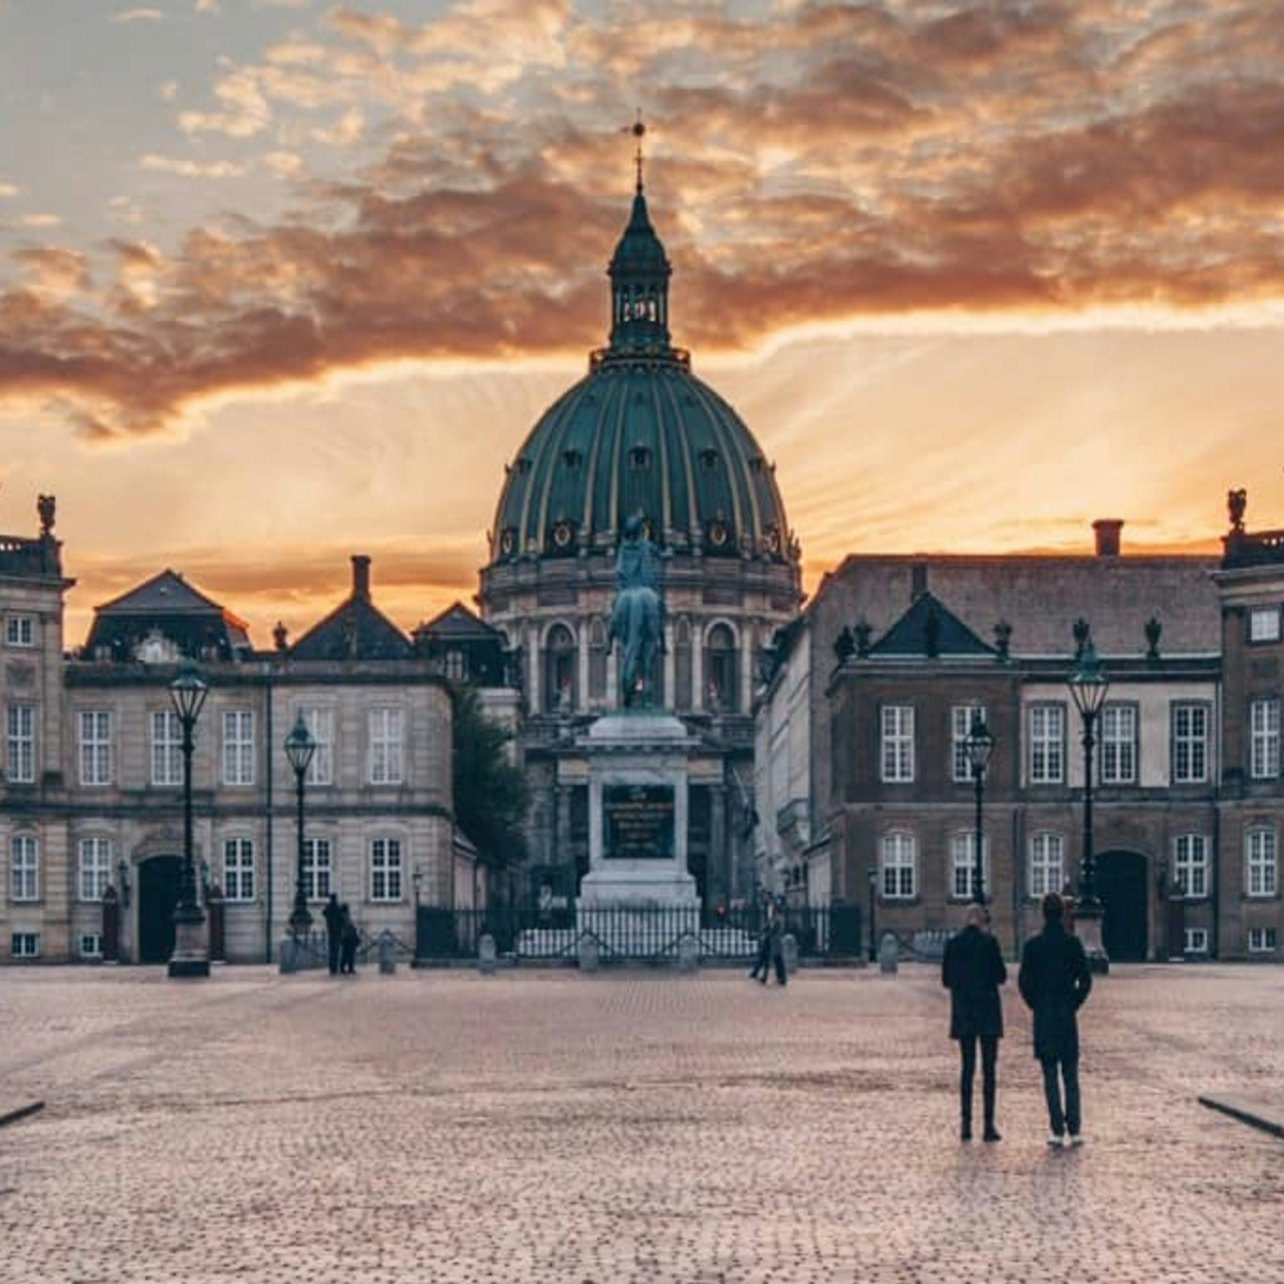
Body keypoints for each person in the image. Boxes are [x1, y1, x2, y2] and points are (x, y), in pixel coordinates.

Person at [1019, 892, 1093, 1148]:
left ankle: (1056, 1130)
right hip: (1066, 1016)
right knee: (1070, 1076)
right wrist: (1073, 1003)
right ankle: (1075, 1129)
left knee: (1050, 1076)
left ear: (1043, 913)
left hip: (1044, 1016)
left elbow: (1024, 984)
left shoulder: (1033, 946)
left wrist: (1036, 1005)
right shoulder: (1072, 944)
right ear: (1063, 913)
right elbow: (1086, 981)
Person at [941, 903, 1007, 1142]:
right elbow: (1001, 976)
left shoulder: (953, 945)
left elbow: (946, 980)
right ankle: (988, 1125)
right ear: (981, 921)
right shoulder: (990, 944)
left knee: (967, 1069)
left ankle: (965, 1125)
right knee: (989, 1071)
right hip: (988, 1012)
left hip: (964, 1013)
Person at [748, 891, 774, 982]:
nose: (764, 898)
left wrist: (764, 930)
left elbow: (770, 920)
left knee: (765, 955)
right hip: (768, 933)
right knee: (764, 954)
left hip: (769, 934)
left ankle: (761, 974)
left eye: (765, 896)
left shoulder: (771, 906)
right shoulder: (766, 906)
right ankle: (757, 973)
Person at [322, 893, 343, 976]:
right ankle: (334, 967)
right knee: (336, 951)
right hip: (337, 932)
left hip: (331, 931)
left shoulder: (329, 908)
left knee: (332, 951)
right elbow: (341, 919)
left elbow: (324, 913)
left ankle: (332, 968)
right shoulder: (338, 908)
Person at [339, 903, 359, 975]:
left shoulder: (344, 916)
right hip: (348, 937)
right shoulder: (344, 917)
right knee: (348, 954)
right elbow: (348, 926)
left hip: (347, 937)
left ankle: (346, 967)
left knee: (346, 954)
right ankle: (348, 968)